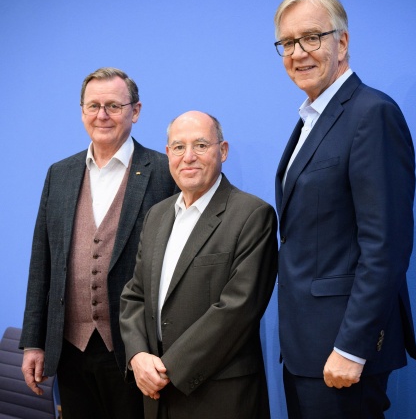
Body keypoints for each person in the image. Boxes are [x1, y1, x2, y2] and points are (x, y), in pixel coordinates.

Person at [273, 0, 416, 418]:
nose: (298, 53)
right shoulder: (311, 119)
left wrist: (352, 348)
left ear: (343, 42)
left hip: (342, 353)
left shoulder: (371, 113)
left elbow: (385, 245)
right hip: (304, 350)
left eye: (312, 37)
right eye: (287, 42)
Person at [20, 67, 177, 419]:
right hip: (70, 348)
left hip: (137, 350)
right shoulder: (59, 174)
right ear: (81, 112)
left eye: (113, 106)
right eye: (93, 106)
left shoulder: (165, 171)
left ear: (135, 111)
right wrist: (34, 340)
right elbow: (41, 262)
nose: (101, 115)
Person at [120, 110, 278, 419]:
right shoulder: (157, 216)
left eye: (201, 145)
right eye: (179, 147)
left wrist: (169, 368)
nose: (188, 156)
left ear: (223, 150)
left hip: (219, 395)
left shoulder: (252, 215)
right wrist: (138, 356)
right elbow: (134, 296)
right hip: (154, 392)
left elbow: (238, 309)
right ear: (168, 154)